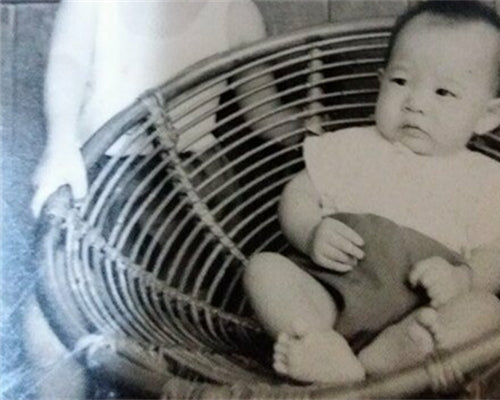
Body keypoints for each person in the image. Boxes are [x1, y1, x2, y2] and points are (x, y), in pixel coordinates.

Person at [243, 0, 500, 384]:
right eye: (400, 82)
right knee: (264, 269)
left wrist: (463, 279)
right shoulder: (350, 147)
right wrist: (311, 232)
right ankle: (321, 344)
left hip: (419, 311)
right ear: (381, 82)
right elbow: (298, 194)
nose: (415, 103)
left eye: (444, 93)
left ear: (487, 116)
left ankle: (384, 359)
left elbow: (498, 253)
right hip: (330, 293)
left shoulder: (487, 180)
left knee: (487, 310)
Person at [26, 1, 298, 398]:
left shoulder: (235, 12)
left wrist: (313, 133)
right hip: (101, 182)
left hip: (193, 197)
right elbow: (67, 64)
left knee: (187, 337)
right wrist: (60, 142)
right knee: (49, 329)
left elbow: (263, 111)